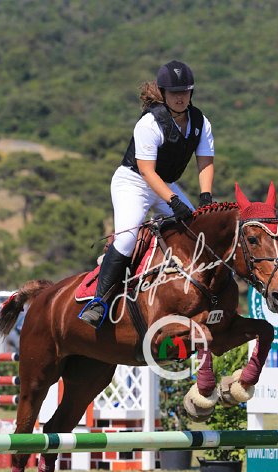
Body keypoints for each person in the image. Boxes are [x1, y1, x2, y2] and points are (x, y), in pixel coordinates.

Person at [80, 59, 215, 329]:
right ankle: (98, 302)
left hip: (165, 184)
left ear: (191, 93)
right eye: (174, 93)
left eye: (185, 92)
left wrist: (205, 197)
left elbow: (205, 162)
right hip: (133, 182)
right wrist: (173, 201)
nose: (180, 97)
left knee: (198, 231)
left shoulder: (201, 122)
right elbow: (146, 171)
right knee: (127, 238)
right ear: (163, 94)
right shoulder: (150, 123)